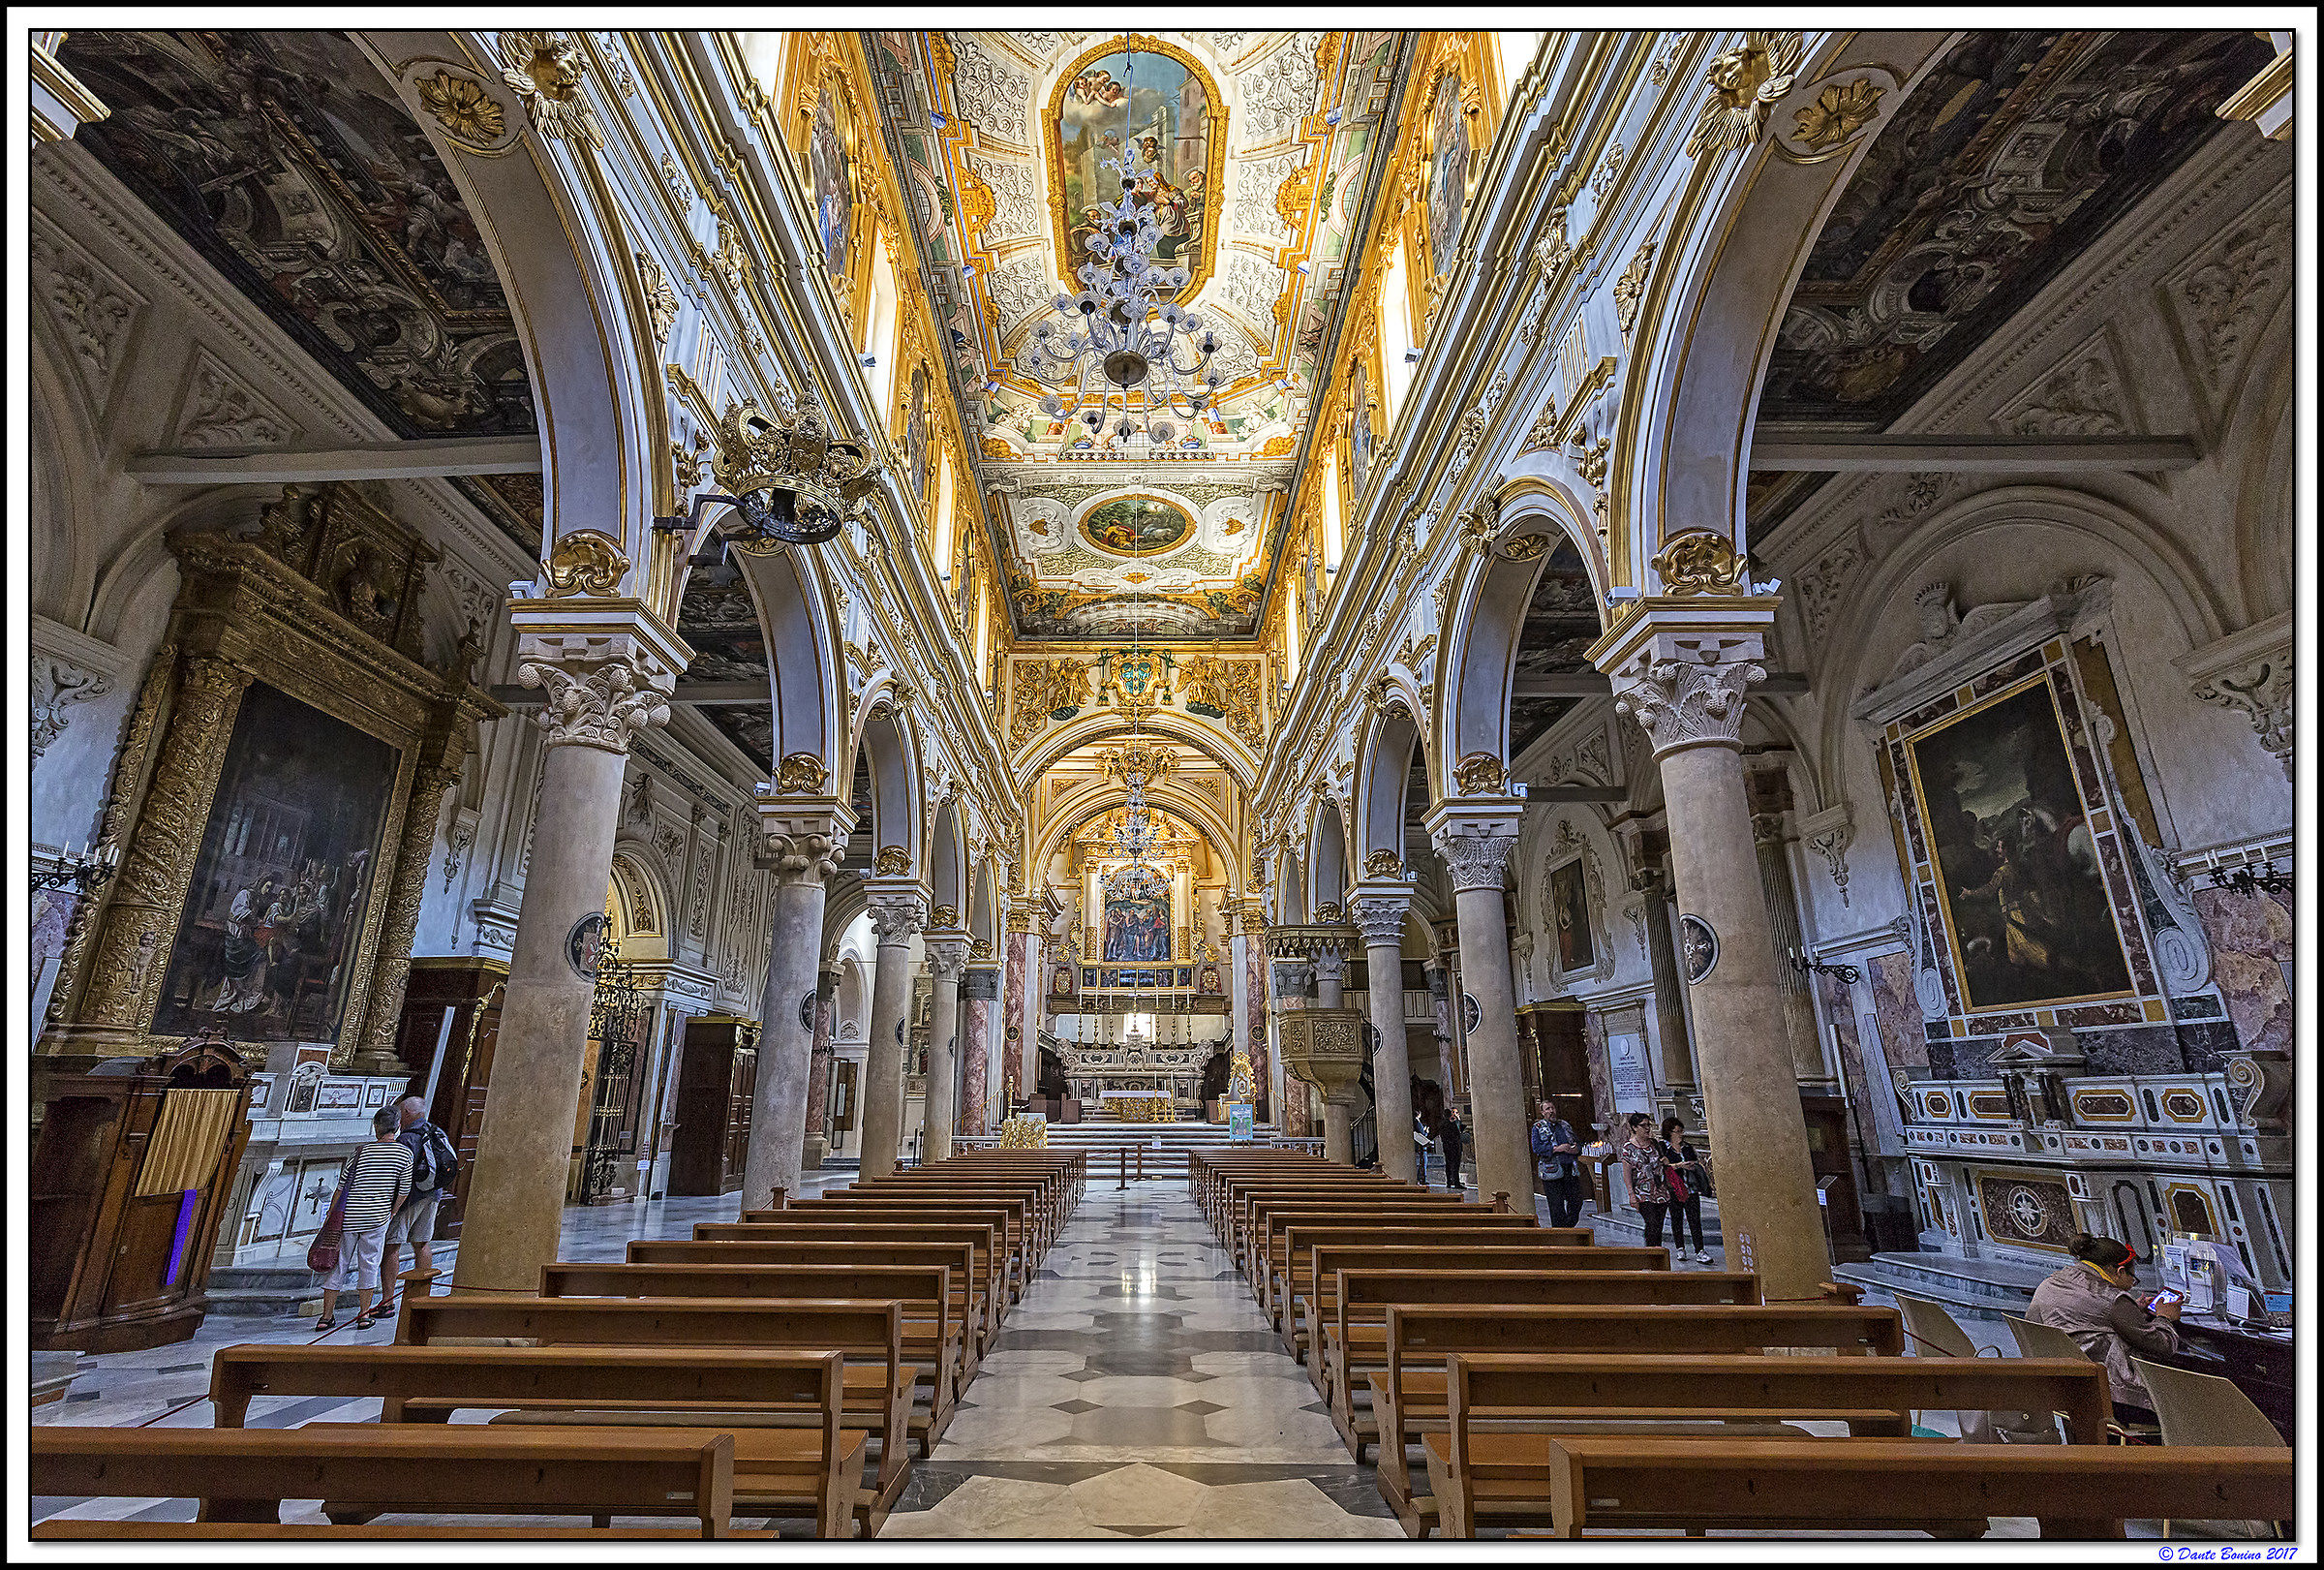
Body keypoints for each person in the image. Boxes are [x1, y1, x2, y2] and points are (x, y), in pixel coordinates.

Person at [2027, 1232, 2184, 1421]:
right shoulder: (2113, 1298)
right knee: (2186, 1406)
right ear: (2120, 1271)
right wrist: (2165, 1317)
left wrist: (2133, 1310)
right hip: (2113, 1397)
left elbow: (2092, 1314)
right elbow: (2163, 1345)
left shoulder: (2051, 1282)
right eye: (2133, 1278)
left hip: (2065, 1388)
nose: (2132, 1284)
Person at [318, 1108, 412, 1332]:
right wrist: (393, 1211)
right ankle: (364, 1314)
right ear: (398, 1127)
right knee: (369, 1263)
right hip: (377, 1217)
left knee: (338, 1265)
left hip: (349, 1215)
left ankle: (326, 1316)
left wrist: (332, 1214)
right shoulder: (404, 1153)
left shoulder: (361, 1151)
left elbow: (341, 1187)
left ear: (375, 1128)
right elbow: (404, 1190)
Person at [382, 1094, 459, 1306]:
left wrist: (393, 1203)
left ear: (406, 1114)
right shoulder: (437, 1131)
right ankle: (422, 1297)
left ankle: (387, 1301)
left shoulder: (407, 1138)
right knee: (423, 1243)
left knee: (392, 1245)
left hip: (410, 1197)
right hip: (434, 1194)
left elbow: (399, 1171)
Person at [1659, 1116, 1714, 1263]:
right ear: (1669, 1132)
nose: (1681, 1134)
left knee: (1694, 1220)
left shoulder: (1687, 1147)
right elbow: (1661, 1167)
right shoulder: (1662, 1147)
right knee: (1677, 1219)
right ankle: (1680, 1248)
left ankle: (1700, 1250)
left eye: (1681, 1131)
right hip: (1673, 1188)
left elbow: (1695, 1161)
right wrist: (1678, 1165)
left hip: (1690, 1187)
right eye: (1677, 1131)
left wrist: (1691, 1165)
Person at [1618, 1111, 1673, 1248]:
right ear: (1634, 1127)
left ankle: (1657, 1252)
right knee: (1651, 1222)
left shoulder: (1655, 1143)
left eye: (1649, 1125)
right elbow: (1627, 1173)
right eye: (1643, 1126)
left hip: (1660, 1191)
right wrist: (1631, 1194)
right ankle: (1651, 1252)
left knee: (1658, 1225)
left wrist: (1665, 1161)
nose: (1647, 1128)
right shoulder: (1628, 1148)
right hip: (1642, 1193)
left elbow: (1664, 1164)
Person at [1530, 1099, 1584, 1228]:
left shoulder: (1564, 1125)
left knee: (1576, 1201)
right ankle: (1560, 1234)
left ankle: (1568, 1226)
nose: (1551, 1111)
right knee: (1556, 1205)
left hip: (1569, 1168)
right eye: (1547, 1109)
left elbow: (1577, 1143)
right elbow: (1536, 1148)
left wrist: (1575, 1149)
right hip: (1552, 1170)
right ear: (1542, 1112)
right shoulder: (1538, 1128)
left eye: (1552, 1108)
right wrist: (1556, 1149)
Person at [1439, 1107, 1465, 1195]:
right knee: (1456, 1165)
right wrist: (1458, 1120)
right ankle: (1457, 1183)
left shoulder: (1441, 1123)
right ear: (1450, 1114)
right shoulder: (1452, 1124)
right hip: (1454, 1147)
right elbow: (1459, 1133)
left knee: (1448, 1164)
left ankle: (1449, 1182)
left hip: (1446, 1147)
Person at [1413, 1110, 1434, 1185]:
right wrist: (1426, 1131)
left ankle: (1421, 1178)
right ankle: (1422, 1178)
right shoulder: (1417, 1123)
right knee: (1423, 1163)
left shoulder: (1414, 1122)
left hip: (1419, 1146)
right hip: (1421, 1146)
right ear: (1419, 1114)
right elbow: (1422, 1135)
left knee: (1421, 1163)